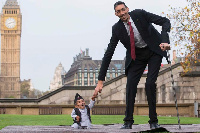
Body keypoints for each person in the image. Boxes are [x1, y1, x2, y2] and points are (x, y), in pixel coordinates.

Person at [93, 1, 171, 130]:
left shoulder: (140, 14)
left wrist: (164, 41)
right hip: (137, 57)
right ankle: (128, 122)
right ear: (115, 14)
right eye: (118, 11)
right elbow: (109, 53)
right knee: (130, 86)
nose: (122, 13)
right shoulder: (117, 28)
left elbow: (165, 21)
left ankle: (153, 121)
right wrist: (100, 80)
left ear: (127, 9)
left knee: (150, 84)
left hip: (153, 51)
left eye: (123, 10)